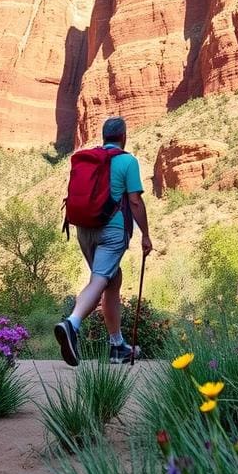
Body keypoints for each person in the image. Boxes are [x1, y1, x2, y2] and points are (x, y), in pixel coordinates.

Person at [55, 117, 152, 366]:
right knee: (100, 279)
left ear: (103, 136)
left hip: (84, 229)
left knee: (111, 280)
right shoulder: (127, 161)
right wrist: (146, 234)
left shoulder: (88, 159)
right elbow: (134, 202)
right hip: (112, 229)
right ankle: (72, 324)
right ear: (124, 136)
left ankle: (117, 345)